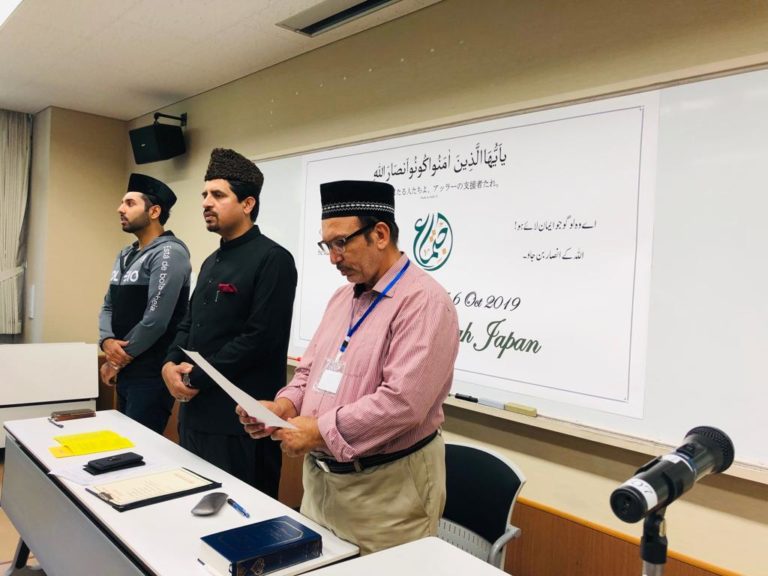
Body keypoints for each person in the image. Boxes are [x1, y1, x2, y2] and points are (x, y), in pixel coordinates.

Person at [238, 180, 460, 554]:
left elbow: (402, 402)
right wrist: (284, 407)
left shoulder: (424, 302)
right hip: (322, 482)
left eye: (342, 243)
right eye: (327, 245)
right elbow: (309, 372)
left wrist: (319, 431)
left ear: (380, 234)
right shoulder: (342, 298)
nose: (333, 258)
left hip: (386, 493)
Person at [162, 148, 297, 498]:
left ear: (248, 203)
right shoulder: (210, 262)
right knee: (194, 511)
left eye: (218, 195)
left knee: (243, 524)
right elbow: (188, 323)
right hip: (195, 416)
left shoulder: (273, 259)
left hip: (242, 426)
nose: (207, 202)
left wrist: (194, 376)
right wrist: (168, 365)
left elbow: (259, 338)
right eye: (205, 195)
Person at [98, 174, 191, 434]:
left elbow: (156, 320)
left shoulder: (170, 253)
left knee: (139, 450)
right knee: (122, 445)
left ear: (154, 211)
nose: (120, 209)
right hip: (127, 370)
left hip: (151, 373)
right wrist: (106, 341)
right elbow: (108, 305)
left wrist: (115, 361)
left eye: (129, 203)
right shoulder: (126, 253)